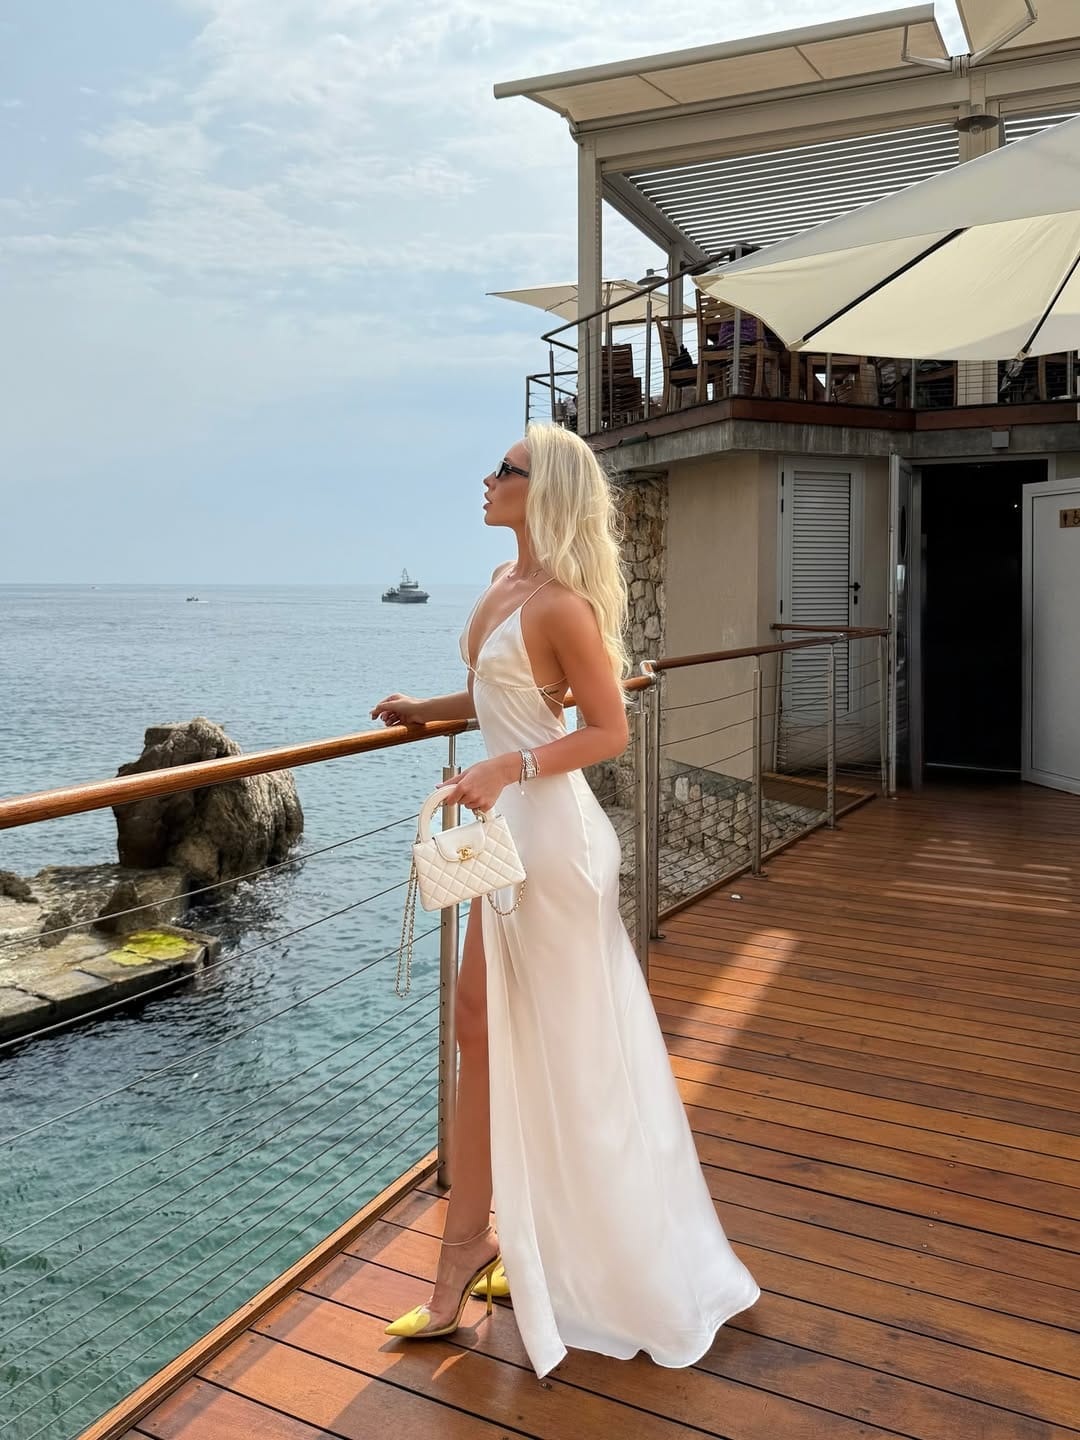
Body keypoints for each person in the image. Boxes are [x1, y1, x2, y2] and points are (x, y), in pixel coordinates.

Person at [369, 422, 760, 1379]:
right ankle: (495, 1240)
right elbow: (512, 698)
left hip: (555, 841)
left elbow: (608, 730)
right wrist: (434, 711)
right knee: (480, 1030)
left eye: (503, 470)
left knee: (564, 1051)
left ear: (541, 490)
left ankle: (507, 1251)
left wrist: (508, 765)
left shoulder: (563, 604)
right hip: (514, 838)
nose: (486, 479)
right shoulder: (507, 588)